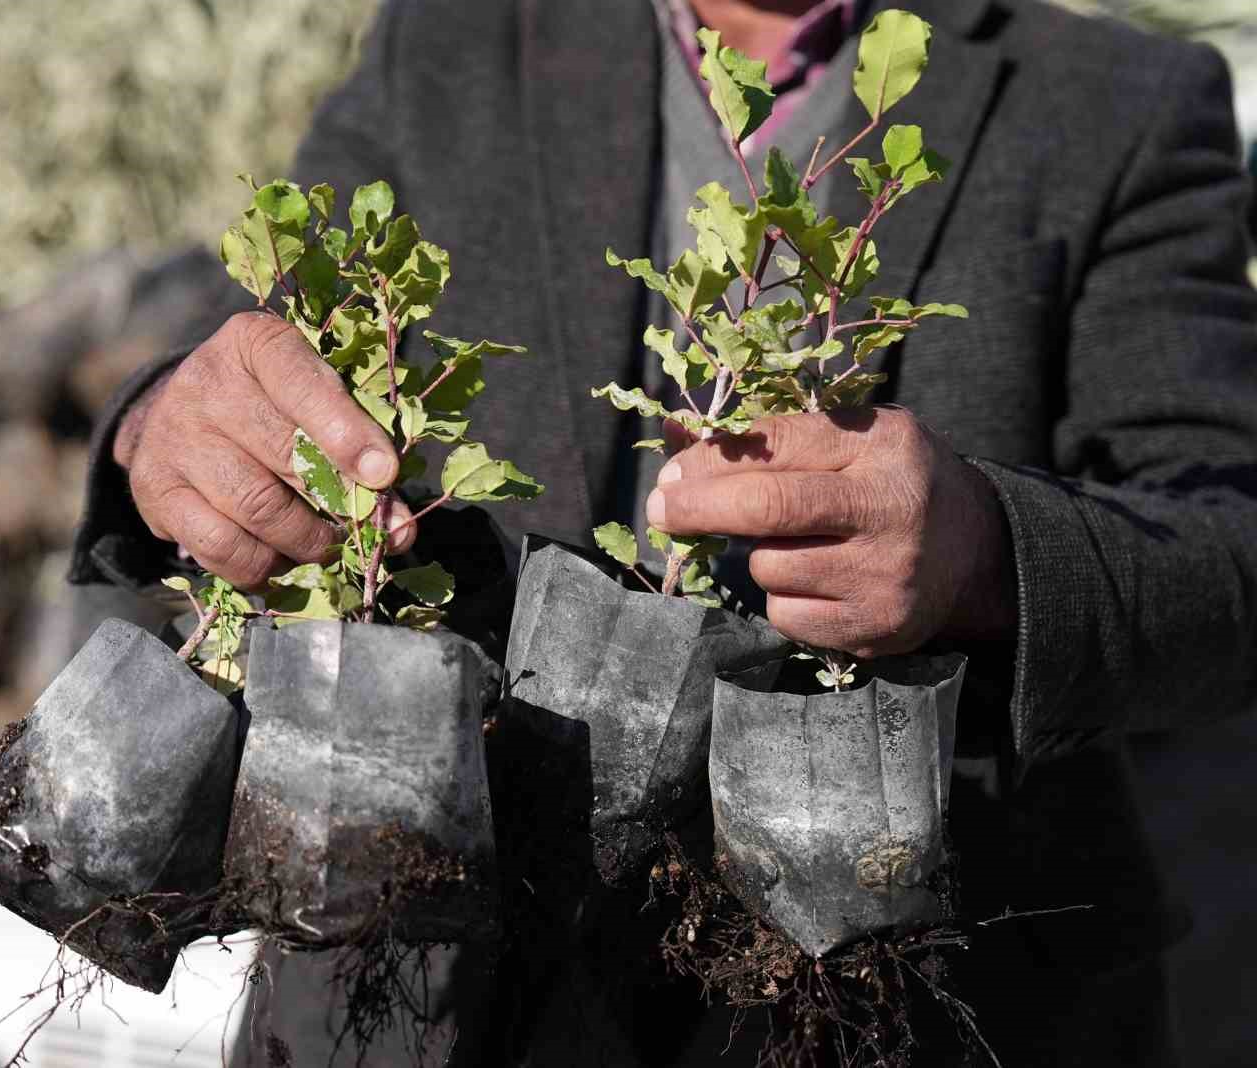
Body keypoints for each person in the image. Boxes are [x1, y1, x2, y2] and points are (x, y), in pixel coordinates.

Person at [68, 0, 1257, 1063]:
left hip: (923, 997)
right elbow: (274, 352)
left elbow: (1228, 544)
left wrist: (989, 550)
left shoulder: (1115, 99)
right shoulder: (453, 37)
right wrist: (161, 424)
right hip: (423, 985)